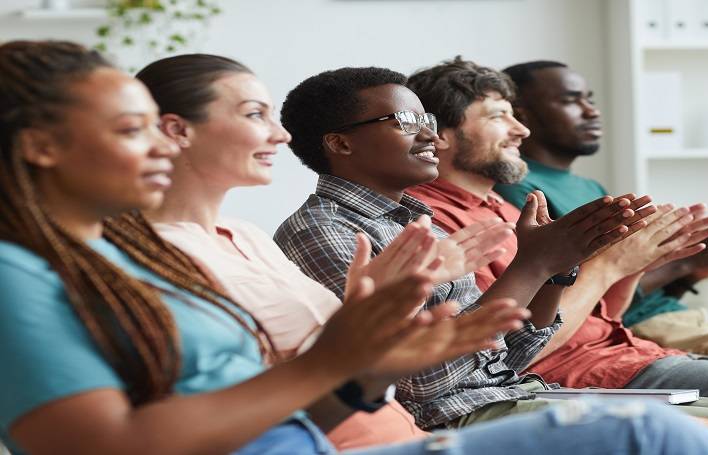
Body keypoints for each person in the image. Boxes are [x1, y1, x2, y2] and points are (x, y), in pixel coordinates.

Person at [0, 41, 708, 455]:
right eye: (134, 130)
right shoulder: (31, 275)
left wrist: (372, 359)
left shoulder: (144, 257)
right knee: (651, 432)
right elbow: (114, 444)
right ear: (36, 146)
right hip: (418, 425)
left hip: (374, 426)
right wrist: (352, 354)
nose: (429, 136)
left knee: (677, 429)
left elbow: (329, 392)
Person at [403, 56, 708, 455]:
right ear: (439, 135)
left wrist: (643, 260)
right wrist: (613, 265)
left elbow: (604, 316)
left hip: (624, 350)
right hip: (581, 373)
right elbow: (525, 350)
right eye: (498, 116)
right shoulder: (434, 220)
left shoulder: (501, 206)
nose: (521, 131)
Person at [137, 53, 513, 450]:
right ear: (177, 130)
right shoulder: (158, 255)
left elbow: (347, 365)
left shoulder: (247, 236)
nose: (281, 136)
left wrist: (374, 304)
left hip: (396, 430)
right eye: (253, 115)